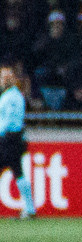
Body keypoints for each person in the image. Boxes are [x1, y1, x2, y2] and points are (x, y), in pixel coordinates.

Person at [0, 63, 34, 218]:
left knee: (18, 172)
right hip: (12, 139)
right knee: (18, 172)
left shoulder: (12, 97)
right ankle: (30, 209)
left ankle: (30, 209)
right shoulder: (10, 95)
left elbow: (8, 121)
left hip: (9, 139)